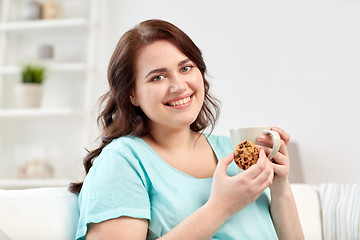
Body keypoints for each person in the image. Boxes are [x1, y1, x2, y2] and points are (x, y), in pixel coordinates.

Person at [69, 19, 304, 240]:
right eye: (157, 77)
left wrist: (280, 187)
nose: (179, 86)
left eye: (185, 68)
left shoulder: (232, 150)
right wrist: (220, 208)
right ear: (132, 94)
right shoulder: (122, 161)